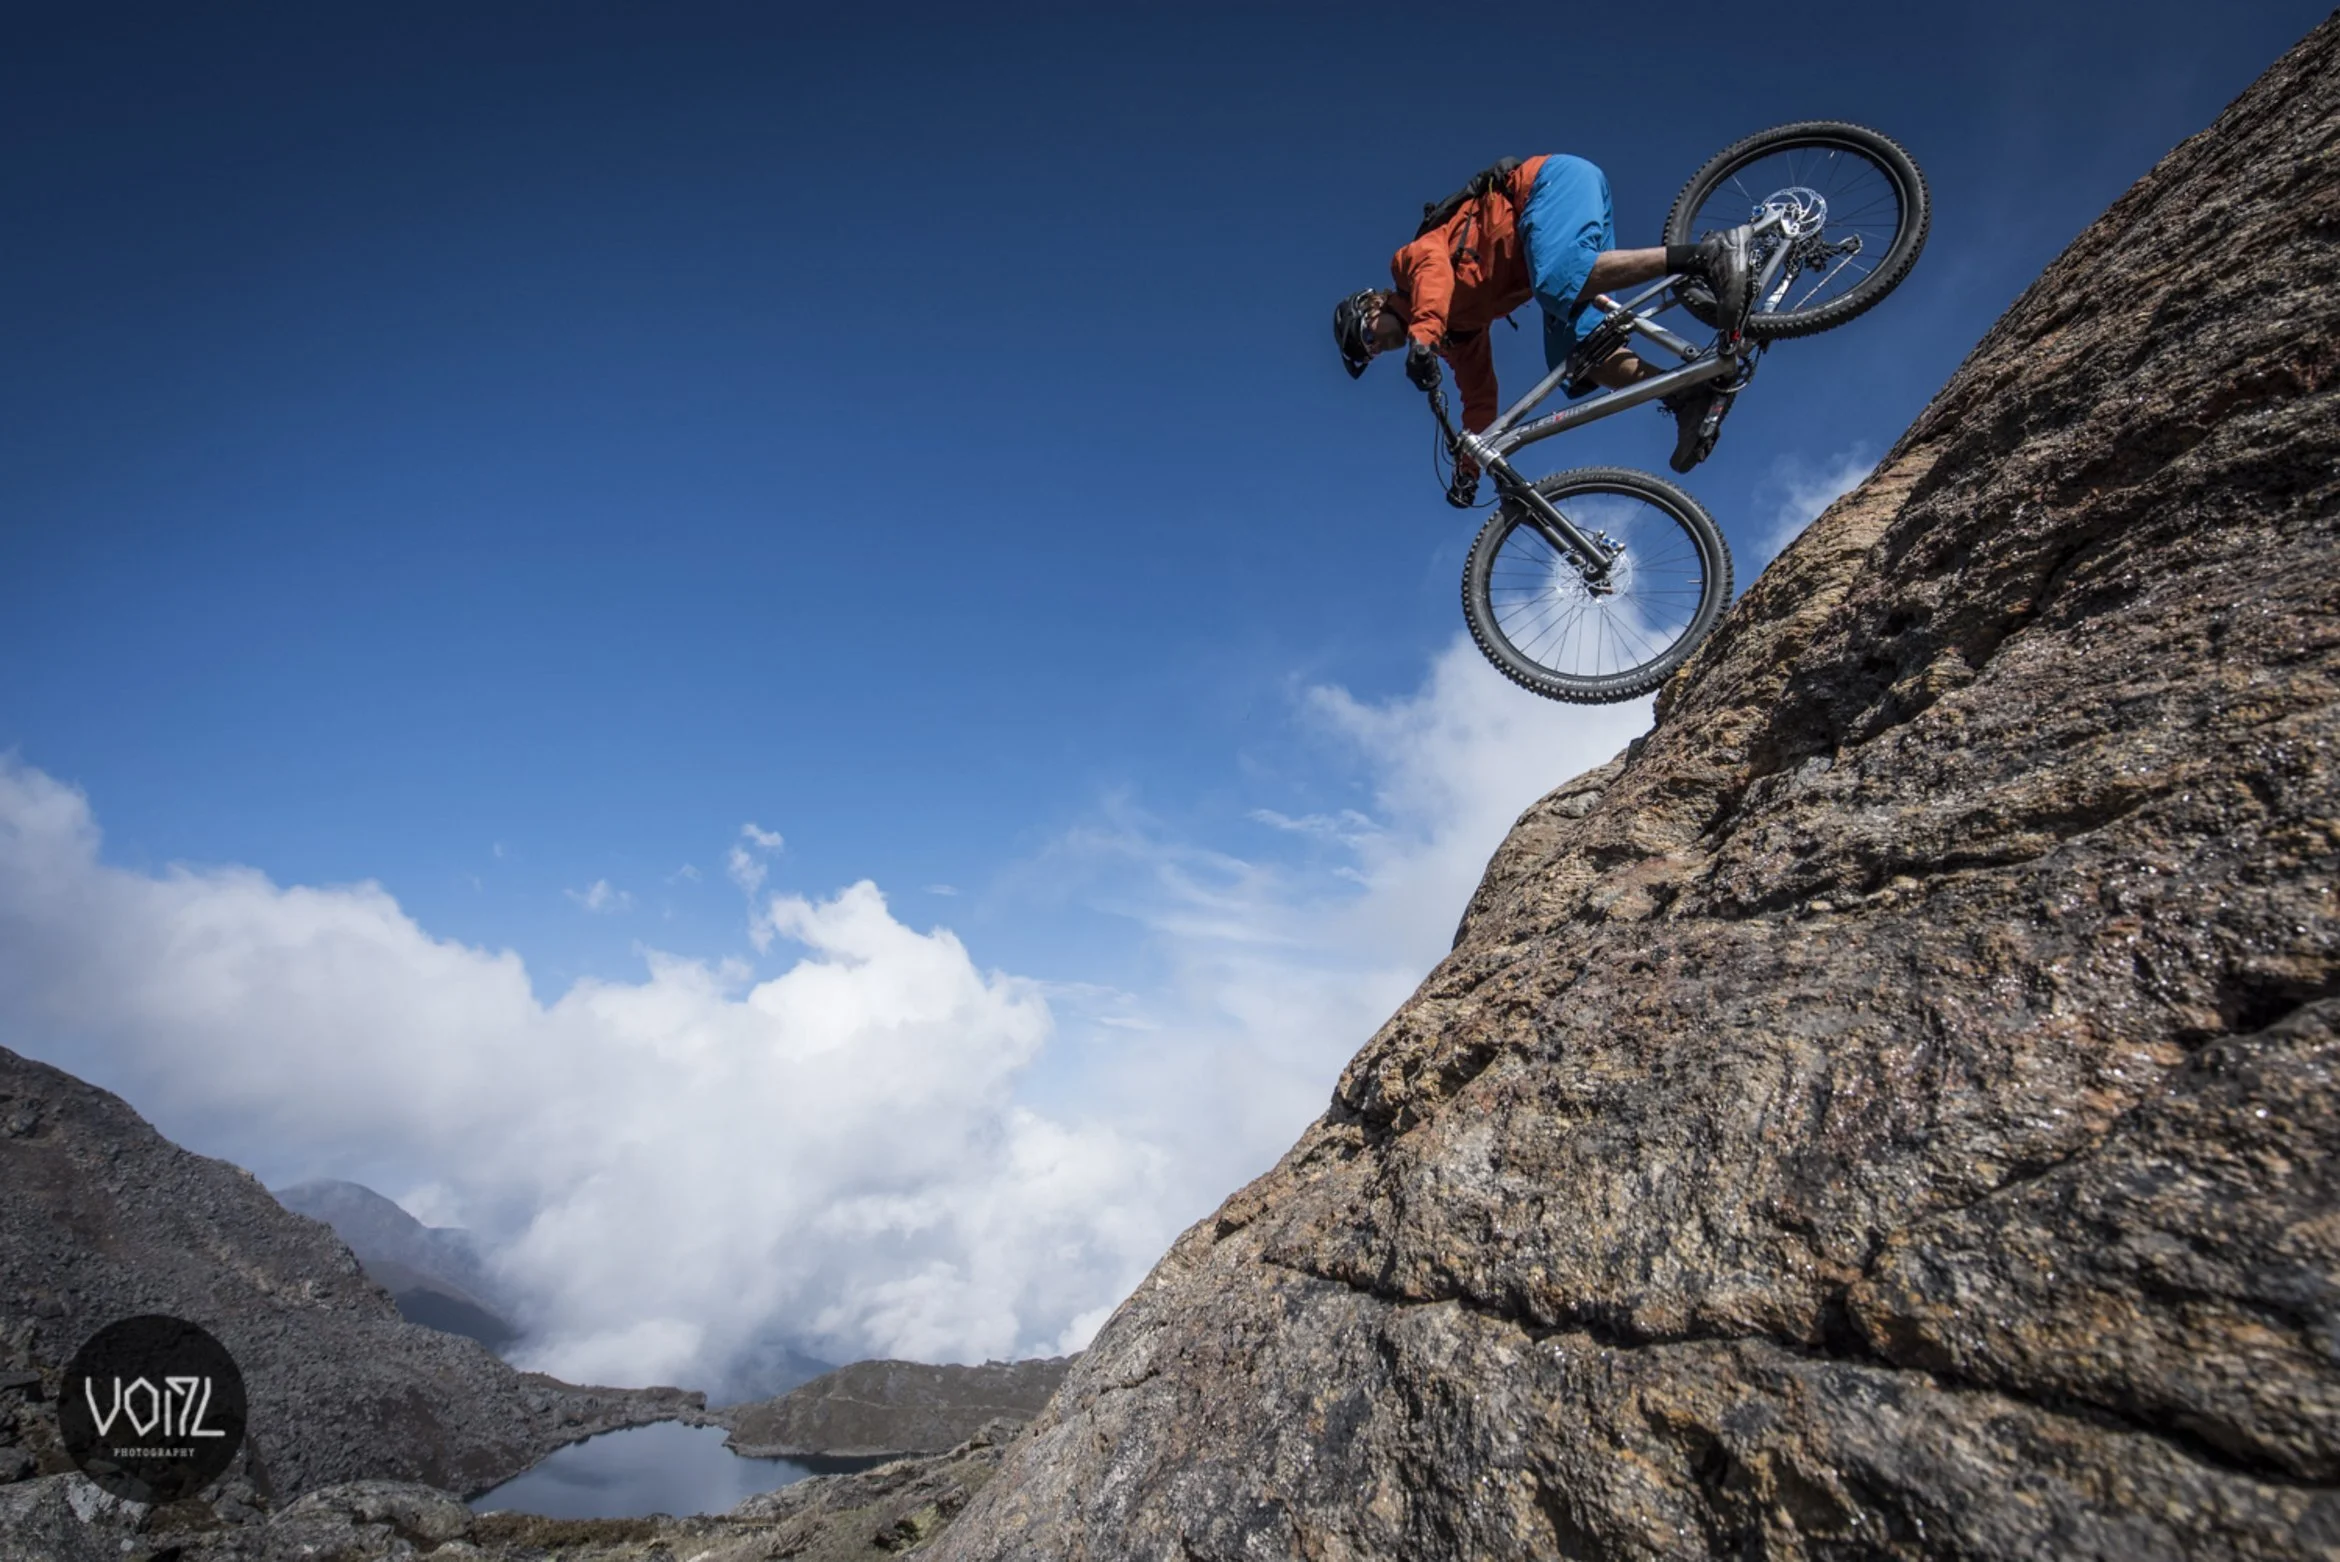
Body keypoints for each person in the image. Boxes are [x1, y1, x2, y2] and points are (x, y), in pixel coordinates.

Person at [1333, 153, 1750, 495]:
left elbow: (1434, 272)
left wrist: (1422, 338)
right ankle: (1686, 395)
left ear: (1372, 304)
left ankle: (1707, 256)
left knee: (1555, 283)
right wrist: (1469, 469)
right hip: (1546, 241)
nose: (1377, 347)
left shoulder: (1407, 265)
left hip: (1545, 186)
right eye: (1371, 353)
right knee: (1577, 360)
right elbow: (1480, 400)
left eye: (1368, 336)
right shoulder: (1456, 336)